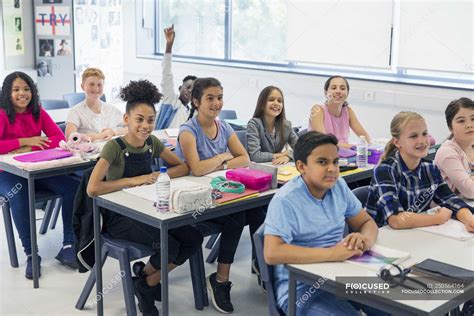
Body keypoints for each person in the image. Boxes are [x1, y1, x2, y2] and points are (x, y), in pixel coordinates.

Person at [87, 79, 201, 316]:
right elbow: (93, 188)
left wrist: (157, 174)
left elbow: (181, 167)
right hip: (121, 218)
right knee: (169, 245)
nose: (145, 125)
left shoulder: (152, 142)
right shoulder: (114, 147)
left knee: (193, 237)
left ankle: (146, 281)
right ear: (126, 119)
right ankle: (147, 284)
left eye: (150, 120)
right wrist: (132, 180)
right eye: (139, 119)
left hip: (149, 209)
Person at [264, 131, 380, 315]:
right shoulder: (286, 200)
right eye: (322, 162)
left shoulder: (339, 186)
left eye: (335, 161)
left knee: (399, 306)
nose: (332, 169)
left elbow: (367, 222)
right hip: (301, 289)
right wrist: (332, 253)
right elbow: (272, 252)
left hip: (342, 275)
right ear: (301, 167)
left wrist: (364, 239)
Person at [175, 77, 249, 314]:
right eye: (210, 98)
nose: (216, 103)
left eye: (219, 97)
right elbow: (196, 169)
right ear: (196, 102)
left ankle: (267, 273)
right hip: (191, 203)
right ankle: (220, 280)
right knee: (237, 217)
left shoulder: (224, 126)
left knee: (256, 211)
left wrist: (217, 162)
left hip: (218, 196)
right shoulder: (188, 131)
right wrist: (223, 157)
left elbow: (244, 158)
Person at [0, 72, 79, 279]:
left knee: (73, 187)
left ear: (32, 92)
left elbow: (59, 138)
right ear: (7, 92)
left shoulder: (38, 112)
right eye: (16, 89)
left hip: (35, 169)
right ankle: (31, 254)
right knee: (19, 195)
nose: (22, 94)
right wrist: (25, 141)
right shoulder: (1, 114)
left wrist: (31, 146)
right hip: (6, 173)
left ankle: (69, 244)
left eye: (26, 89)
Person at [366, 111, 474, 231]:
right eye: (413, 136)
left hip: (412, 234)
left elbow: (451, 200)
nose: (422, 141)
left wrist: (469, 220)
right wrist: (438, 218)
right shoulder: (385, 170)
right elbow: (396, 220)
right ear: (397, 142)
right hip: (382, 239)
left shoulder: (430, 168)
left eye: (424, 134)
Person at [308, 76, 371, 148]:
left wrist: (369, 146)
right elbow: (325, 142)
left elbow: (364, 136)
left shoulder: (348, 111)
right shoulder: (317, 110)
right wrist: (354, 147)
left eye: (342, 88)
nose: (338, 91)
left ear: (347, 93)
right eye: (333, 88)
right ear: (326, 93)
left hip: (343, 156)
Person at [66, 68, 127, 141]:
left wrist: (113, 132)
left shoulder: (111, 109)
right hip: (87, 150)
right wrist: (100, 136)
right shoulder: (75, 111)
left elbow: (132, 127)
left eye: (99, 85)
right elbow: (70, 137)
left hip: (110, 149)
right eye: (91, 84)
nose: (96, 88)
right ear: (82, 87)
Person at [155, 24, 197, 130]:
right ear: (179, 88)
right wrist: (169, 45)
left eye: (193, 90)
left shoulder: (192, 112)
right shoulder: (170, 100)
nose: (189, 91)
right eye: (187, 87)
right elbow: (166, 73)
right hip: (161, 143)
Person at [247, 86, 298, 164]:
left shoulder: (286, 125)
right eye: (271, 100)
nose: (276, 103)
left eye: (279, 101)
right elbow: (255, 156)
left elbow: (302, 150)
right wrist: (280, 154)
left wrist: (288, 156)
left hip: (278, 167)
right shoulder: (254, 124)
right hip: (259, 169)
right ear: (262, 104)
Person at [434, 98, 474, 200]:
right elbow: (471, 191)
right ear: (450, 127)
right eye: (461, 121)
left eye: (473, 119)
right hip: (445, 210)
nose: (469, 125)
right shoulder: (448, 152)